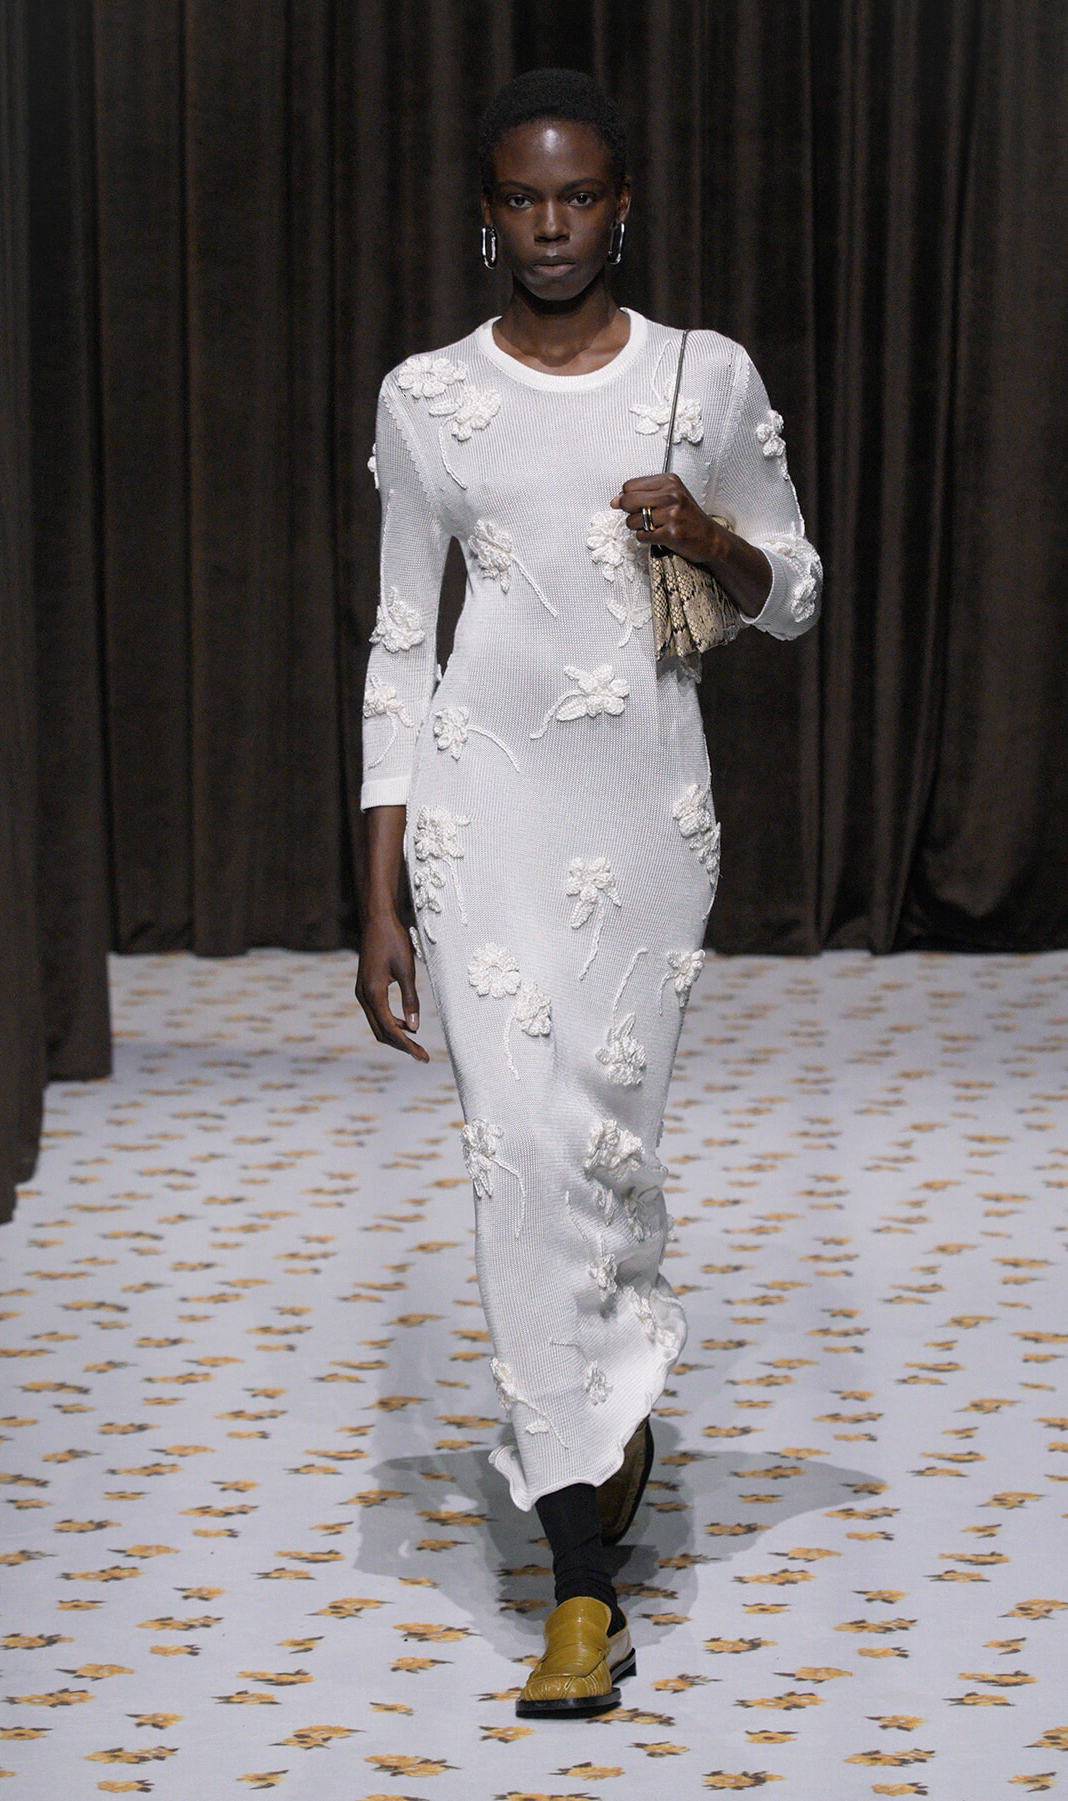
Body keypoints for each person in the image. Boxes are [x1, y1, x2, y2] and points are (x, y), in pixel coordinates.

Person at [356, 67, 821, 1718]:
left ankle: (611, 1402)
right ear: (486, 213)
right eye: (520, 199)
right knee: (520, 1155)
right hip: (478, 811)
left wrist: (707, 530)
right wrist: (382, 880)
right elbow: (405, 640)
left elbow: (795, 592)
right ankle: (580, 1586)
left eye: (578, 198)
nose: (550, 225)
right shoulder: (430, 397)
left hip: (645, 820)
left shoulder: (705, 377)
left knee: (602, 1145)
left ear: (623, 206)